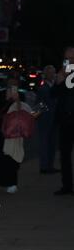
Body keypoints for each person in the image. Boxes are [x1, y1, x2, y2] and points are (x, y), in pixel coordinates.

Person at [0, 76, 25, 193]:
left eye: (15, 85)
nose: (12, 87)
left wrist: (17, 100)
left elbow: (22, 112)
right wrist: (8, 100)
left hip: (14, 131)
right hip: (0, 131)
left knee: (12, 156)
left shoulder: (21, 96)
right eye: (10, 85)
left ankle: (12, 182)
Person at [53, 46, 74, 195]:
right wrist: (60, 78)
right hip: (65, 120)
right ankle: (67, 186)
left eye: (72, 58)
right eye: (67, 59)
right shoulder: (62, 73)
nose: (69, 61)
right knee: (65, 155)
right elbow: (55, 93)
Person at [36, 65, 59, 174]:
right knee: (44, 143)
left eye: (54, 72)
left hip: (54, 119)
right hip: (45, 120)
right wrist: (45, 112)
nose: (53, 75)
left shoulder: (56, 86)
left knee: (52, 144)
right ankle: (44, 167)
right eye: (50, 73)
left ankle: (50, 165)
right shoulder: (43, 88)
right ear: (46, 74)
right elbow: (39, 104)